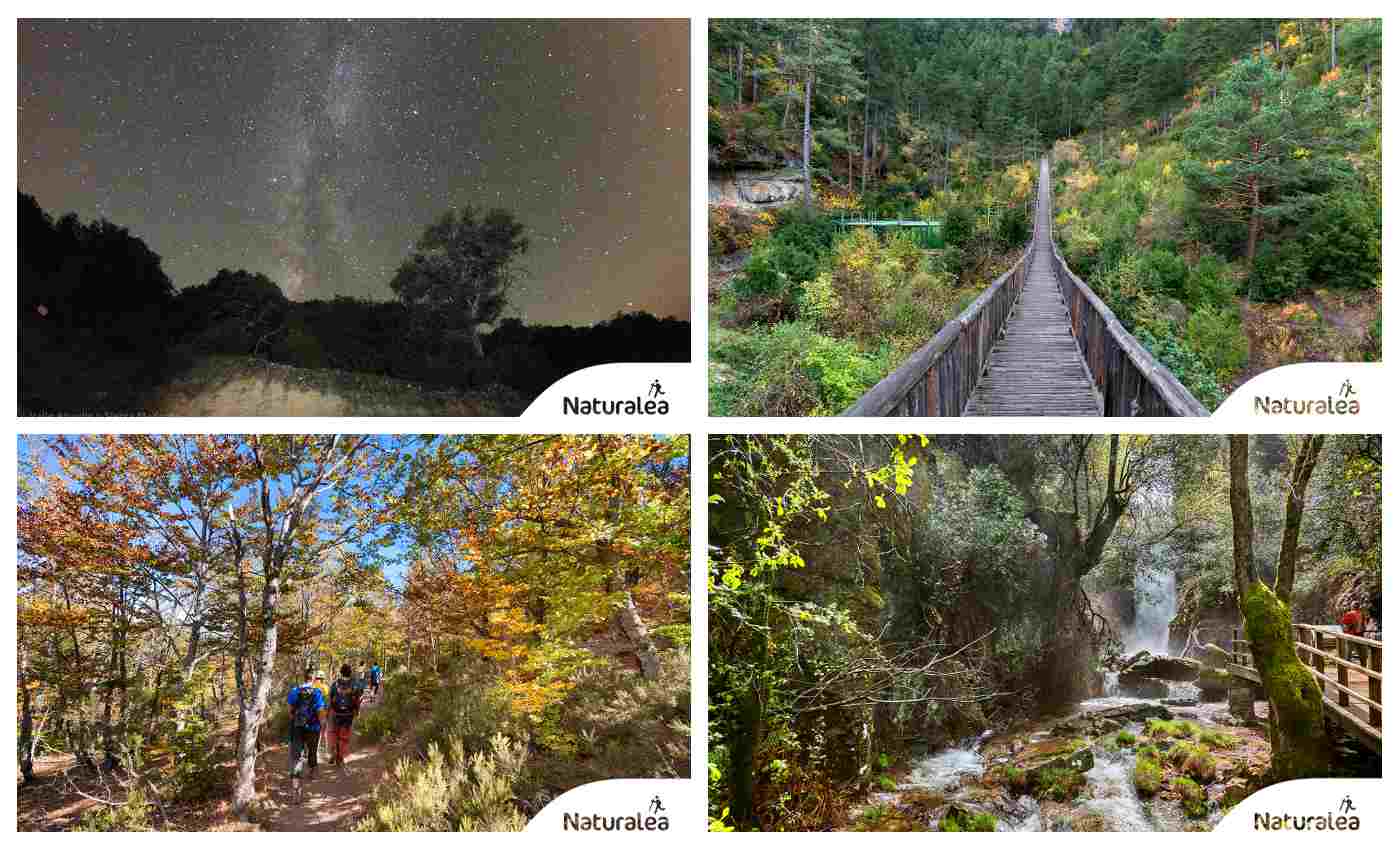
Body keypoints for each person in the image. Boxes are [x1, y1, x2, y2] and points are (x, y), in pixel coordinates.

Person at [287, 668, 327, 791]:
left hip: (298, 727)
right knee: (312, 750)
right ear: (313, 679)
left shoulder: (294, 691)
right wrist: (323, 724)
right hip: (313, 727)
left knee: (297, 755)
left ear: (303, 677)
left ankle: (296, 785)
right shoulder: (317, 692)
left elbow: (289, 711)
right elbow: (320, 711)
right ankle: (312, 772)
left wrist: (296, 721)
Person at [327, 663, 365, 767]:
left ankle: (333, 751)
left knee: (334, 733)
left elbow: (330, 698)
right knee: (344, 735)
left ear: (341, 672)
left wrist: (328, 711)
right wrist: (357, 711)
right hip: (348, 714)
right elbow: (357, 699)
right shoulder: (355, 684)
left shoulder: (335, 684)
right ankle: (340, 756)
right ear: (350, 672)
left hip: (335, 712)